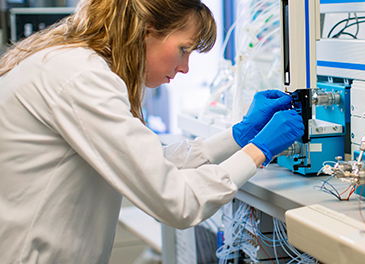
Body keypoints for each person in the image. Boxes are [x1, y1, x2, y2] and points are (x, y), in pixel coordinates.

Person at [0, 0, 304, 263]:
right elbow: (179, 201)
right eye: (183, 49)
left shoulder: (73, 64)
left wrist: (237, 136)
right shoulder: (82, 79)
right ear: (146, 29)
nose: (185, 67)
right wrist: (258, 151)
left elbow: (145, 163)